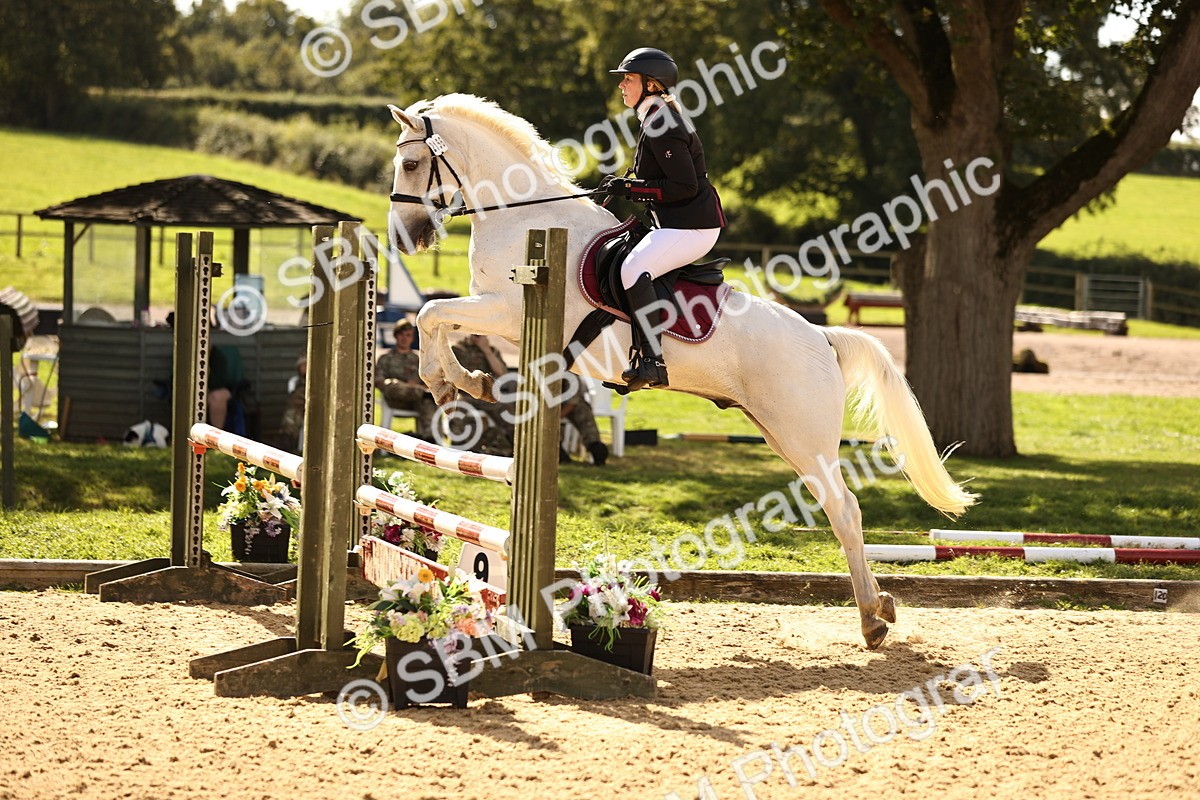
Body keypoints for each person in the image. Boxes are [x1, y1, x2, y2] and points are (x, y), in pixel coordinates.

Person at [605, 47, 727, 391]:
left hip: (693, 226)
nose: (622, 86)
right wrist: (628, 185)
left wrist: (633, 190)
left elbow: (684, 186)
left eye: (628, 79)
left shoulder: (663, 122)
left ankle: (651, 362)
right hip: (678, 222)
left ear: (652, 84)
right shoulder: (654, 117)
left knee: (633, 269)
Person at [450, 333, 516, 456]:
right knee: (458, 406)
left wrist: (486, 350)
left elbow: (501, 373)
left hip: (487, 396)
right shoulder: (458, 349)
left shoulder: (492, 351)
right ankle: (458, 446)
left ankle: (514, 448)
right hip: (466, 394)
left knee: (508, 410)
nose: (478, 336)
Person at [375, 320, 437, 440]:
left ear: (412, 338)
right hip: (395, 399)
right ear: (396, 336)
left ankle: (429, 439)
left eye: (408, 335)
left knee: (428, 401)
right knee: (391, 384)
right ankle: (421, 393)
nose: (404, 338)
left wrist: (420, 387)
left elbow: (429, 382)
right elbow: (379, 382)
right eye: (401, 334)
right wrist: (409, 386)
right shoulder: (385, 358)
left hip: (416, 402)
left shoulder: (419, 359)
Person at [559, 383, 609, 466]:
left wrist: (558, 417)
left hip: (576, 406)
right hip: (555, 404)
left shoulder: (571, 377)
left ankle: (599, 459)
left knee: (591, 436)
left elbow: (572, 402)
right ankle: (562, 457)